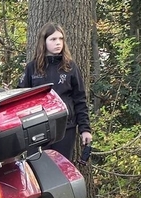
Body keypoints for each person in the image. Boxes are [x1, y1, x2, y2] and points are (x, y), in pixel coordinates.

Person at [18, 22, 93, 161]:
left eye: (61, 39)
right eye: (53, 39)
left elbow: (80, 99)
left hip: (65, 128)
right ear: (44, 42)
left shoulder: (70, 67)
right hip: (37, 128)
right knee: (38, 170)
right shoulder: (32, 68)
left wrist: (85, 129)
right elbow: (21, 100)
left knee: (61, 170)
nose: (58, 43)